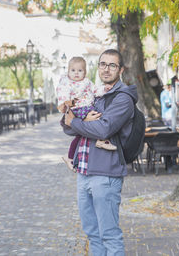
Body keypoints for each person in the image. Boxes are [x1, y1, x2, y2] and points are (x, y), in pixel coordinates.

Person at [62, 49, 136, 255]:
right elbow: (67, 126)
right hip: (84, 171)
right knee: (92, 233)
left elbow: (103, 128)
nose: (106, 69)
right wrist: (77, 120)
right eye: (103, 64)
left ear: (120, 69)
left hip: (106, 173)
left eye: (112, 65)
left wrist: (76, 121)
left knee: (109, 234)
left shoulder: (123, 99)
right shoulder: (94, 93)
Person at [56, 56, 117, 172]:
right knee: (96, 119)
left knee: (82, 134)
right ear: (68, 71)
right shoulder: (66, 83)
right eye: (73, 70)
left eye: (80, 70)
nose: (76, 73)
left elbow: (95, 90)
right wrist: (64, 105)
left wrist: (104, 89)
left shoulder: (87, 82)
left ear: (85, 72)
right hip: (77, 108)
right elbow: (62, 96)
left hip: (87, 106)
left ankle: (69, 156)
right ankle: (100, 139)